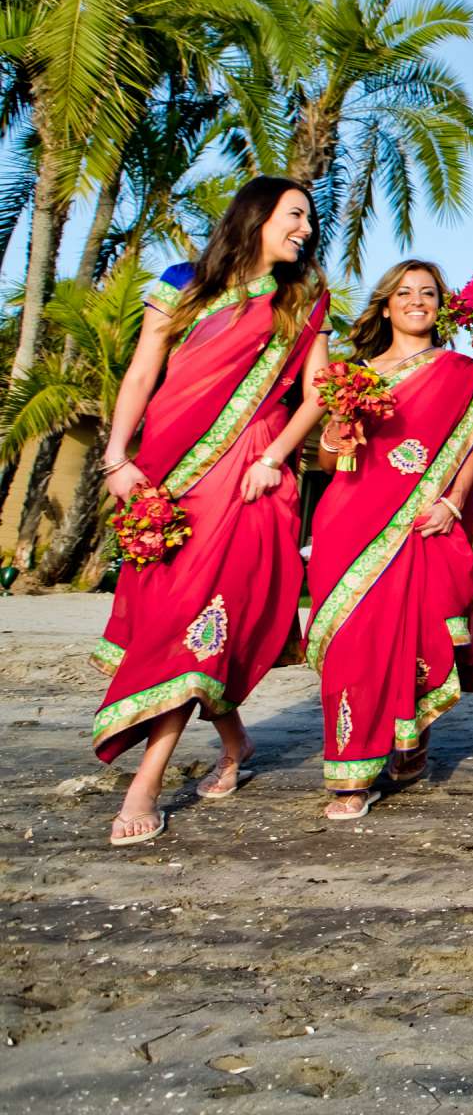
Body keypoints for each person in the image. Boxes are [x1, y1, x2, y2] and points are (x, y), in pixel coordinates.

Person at [92, 176, 333, 847]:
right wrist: (117, 458)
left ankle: (148, 779)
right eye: (295, 216)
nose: (306, 230)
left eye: (308, 220)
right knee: (176, 613)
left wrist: (275, 456)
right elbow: (143, 374)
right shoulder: (182, 284)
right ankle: (234, 743)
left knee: (198, 614)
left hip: (248, 477)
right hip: (168, 475)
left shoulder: (301, 301)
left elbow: (317, 396)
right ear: (256, 217)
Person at [306, 260, 473, 819]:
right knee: (352, 639)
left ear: (441, 306)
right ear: (385, 304)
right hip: (350, 519)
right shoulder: (356, 374)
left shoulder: (462, 372)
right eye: (405, 292)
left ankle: (409, 734)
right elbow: (328, 460)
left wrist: (452, 501)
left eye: (428, 293)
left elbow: (471, 447)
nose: (417, 301)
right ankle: (350, 771)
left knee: (416, 631)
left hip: (422, 520)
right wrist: (335, 432)